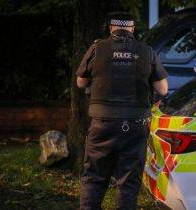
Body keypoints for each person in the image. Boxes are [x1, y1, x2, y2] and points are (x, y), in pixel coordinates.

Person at [75, 11, 168, 210]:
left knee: (94, 177)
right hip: (135, 126)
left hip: (102, 124)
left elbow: (80, 82)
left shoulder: (97, 48)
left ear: (111, 28)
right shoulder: (146, 51)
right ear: (132, 29)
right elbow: (163, 89)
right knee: (128, 181)